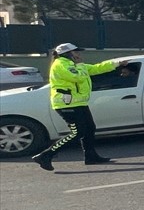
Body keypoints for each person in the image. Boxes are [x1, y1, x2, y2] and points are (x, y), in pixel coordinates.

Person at [31, 43, 128, 171]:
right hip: (66, 104)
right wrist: (81, 66)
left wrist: (116, 64)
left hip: (78, 103)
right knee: (78, 132)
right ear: (67, 53)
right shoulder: (61, 64)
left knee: (89, 128)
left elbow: (96, 68)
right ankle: (46, 155)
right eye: (76, 52)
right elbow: (76, 77)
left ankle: (90, 156)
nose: (79, 54)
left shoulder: (73, 65)